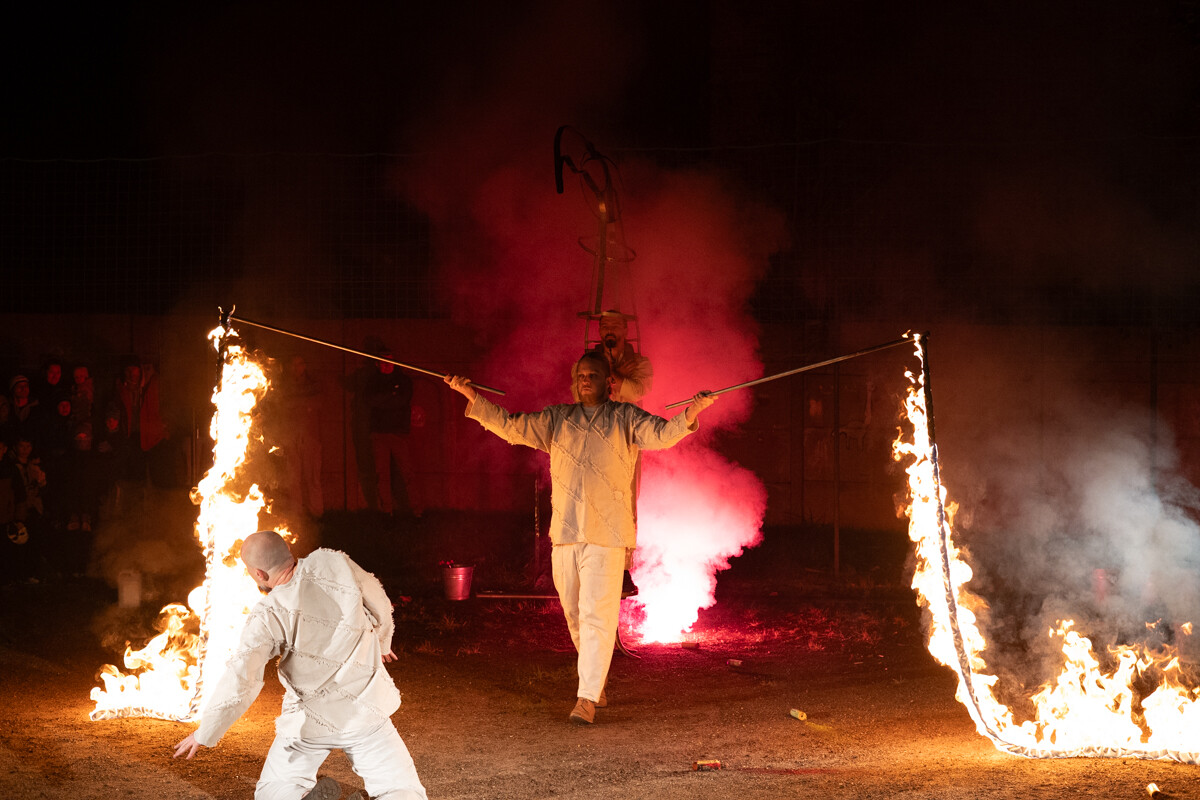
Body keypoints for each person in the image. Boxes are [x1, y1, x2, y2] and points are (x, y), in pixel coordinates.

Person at [444, 353, 715, 725]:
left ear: (609, 382)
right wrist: (473, 397)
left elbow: (664, 433)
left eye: (593, 375)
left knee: (597, 616)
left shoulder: (626, 418)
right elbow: (510, 426)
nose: (586, 380)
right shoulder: (558, 418)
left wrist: (692, 412)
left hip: (607, 536)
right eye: (581, 375)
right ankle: (596, 678)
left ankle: (586, 697)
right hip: (567, 533)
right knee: (573, 613)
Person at [172, 530, 427, 800]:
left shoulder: (268, 612)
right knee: (401, 788)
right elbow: (380, 602)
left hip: (309, 724)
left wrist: (206, 730)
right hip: (366, 711)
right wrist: (383, 642)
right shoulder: (333, 562)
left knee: (274, 792)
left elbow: (242, 677)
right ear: (288, 552)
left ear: (259, 573)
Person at [591, 310, 653, 405]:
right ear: (600, 331)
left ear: (625, 331)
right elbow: (585, 397)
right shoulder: (586, 363)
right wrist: (618, 374)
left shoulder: (640, 363)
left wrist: (609, 374)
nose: (609, 331)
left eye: (615, 326)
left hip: (630, 419)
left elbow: (636, 393)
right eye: (605, 326)